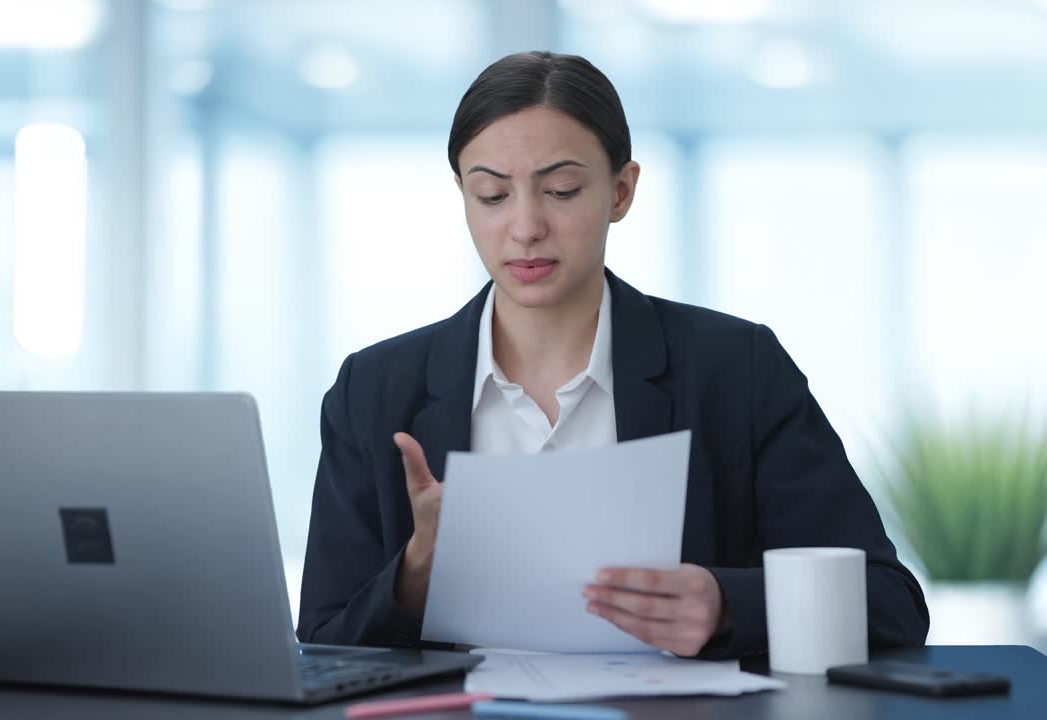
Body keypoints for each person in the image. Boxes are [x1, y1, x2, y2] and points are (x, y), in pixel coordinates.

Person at [296, 50, 928, 659]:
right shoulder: (373, 389)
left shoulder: (738, 370)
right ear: (462, 194)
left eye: (562, 190)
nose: (525, 227)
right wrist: (416, 575)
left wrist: (728, 604)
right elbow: (322, 638)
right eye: (492, 196)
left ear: (622, 191)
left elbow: (889, 601)